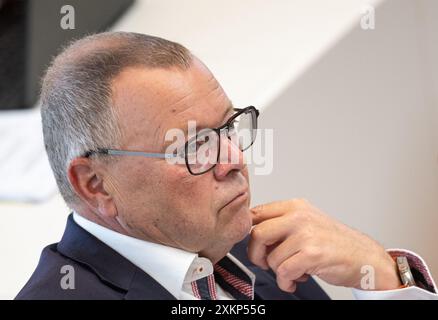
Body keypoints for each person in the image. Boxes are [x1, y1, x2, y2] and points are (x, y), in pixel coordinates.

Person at [16, 32, 437, 300]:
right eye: (195, 146)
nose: (234, 160)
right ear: (95, 185)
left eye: (228, 127)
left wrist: (383, 279)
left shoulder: (256, 253)